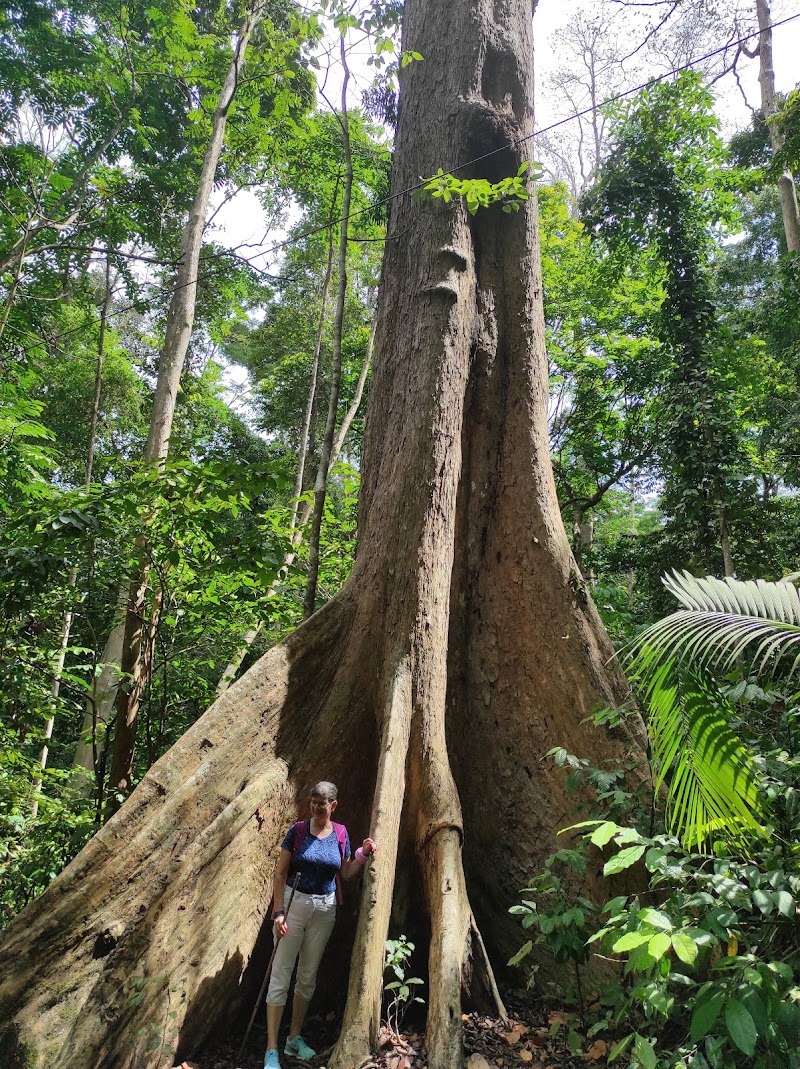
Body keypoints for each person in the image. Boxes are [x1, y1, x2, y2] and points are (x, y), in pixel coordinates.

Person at [264, 780, 377, 1069]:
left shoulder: (340, 834)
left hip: (325, 909)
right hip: (293, 905)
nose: (316, 807)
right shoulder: (298, 831)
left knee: (308, 975)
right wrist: (278, 913)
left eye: (322, 803)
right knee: (281, 973)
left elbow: (346, 872)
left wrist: (363, 854)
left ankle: (294, 1038)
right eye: (313, 802)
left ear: (333, 805)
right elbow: (279, 874)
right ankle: (272, 1049)